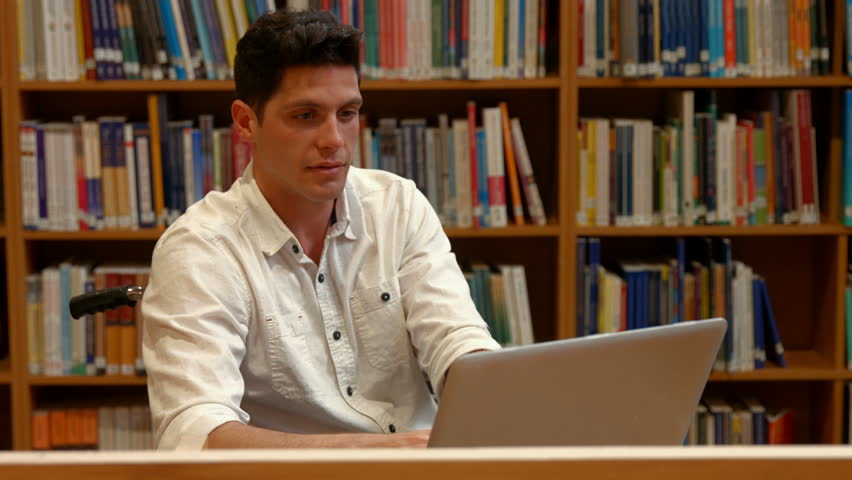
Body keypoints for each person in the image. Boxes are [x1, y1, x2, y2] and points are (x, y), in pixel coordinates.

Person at [141, 8, 501, 450]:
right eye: (306, 115)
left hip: (423, 464)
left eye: (347, 113)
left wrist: (491, 395)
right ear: (244, 122)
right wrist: (388, 455)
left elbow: (456, 340)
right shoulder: (200, 248)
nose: (334, 139)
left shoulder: (397, 205)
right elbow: (195, 434)